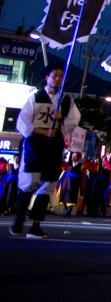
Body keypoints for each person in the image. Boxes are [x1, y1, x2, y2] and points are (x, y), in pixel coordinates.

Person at [10, 61, 81, 238]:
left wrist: (62, 118)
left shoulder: (65, 101)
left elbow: (74, 122)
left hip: (54, 145)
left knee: (48, 184)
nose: (57, 79)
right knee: (29, 182)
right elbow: (23, 122)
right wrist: (41, 130)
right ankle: (18, 221)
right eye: (54, 75)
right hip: (35, 144)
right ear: (46, 77)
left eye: (60, 76)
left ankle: (36, 224)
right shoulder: (35, 98)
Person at [58, 151, 84, 216]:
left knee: (72, 197)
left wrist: (82, 186)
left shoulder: (81, 166)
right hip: (65, 182)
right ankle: (66, 208)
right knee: (63, 196)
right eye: (72, 156)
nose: (73, 157)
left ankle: (69, 211)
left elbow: (83, 176)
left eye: (75, 156)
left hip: (74, 183)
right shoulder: (68, 163)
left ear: (78, 157)